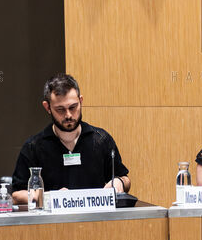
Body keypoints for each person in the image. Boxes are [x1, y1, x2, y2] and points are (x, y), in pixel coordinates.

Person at [11, 74, 129, 203]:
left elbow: (125, 179)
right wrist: (50, 197)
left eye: (73, 107)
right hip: (52, 215)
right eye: (60, 109)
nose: (68, 115)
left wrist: (119, 182)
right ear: (47, 107)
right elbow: (16, 194)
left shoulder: (101, 140)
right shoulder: (34, 146)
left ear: (81, 101)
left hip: (94, 215)